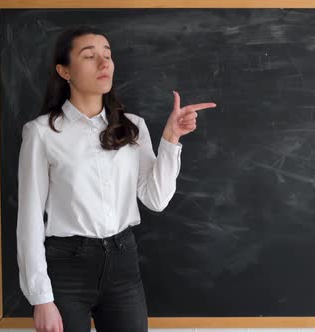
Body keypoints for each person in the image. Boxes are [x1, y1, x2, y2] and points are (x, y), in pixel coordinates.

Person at [16, 25, 216, 332]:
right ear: (64, 71)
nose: (103, 63)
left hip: (123, 264)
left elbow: (156, 199)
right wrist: (41, 298)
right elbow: (29, 219)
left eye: (107, 56)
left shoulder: (133, 127)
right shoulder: (42, 133)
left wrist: (172, 137)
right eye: (89, 56)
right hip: (66, 269)